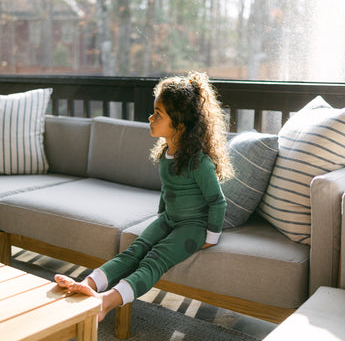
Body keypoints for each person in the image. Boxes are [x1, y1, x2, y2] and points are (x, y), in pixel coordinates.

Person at [55, 71, 232, 321]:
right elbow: (167, 190)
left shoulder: (199, 162)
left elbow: (217, 201)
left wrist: (211, 237)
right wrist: (161, 219)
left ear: (179, 124)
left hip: (192, 227)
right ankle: (88, 284)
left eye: (158, 114)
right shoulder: (166, 154)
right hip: (169, 219)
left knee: (153, 260)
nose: (150, 118)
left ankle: (106, 302)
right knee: (133, 250)